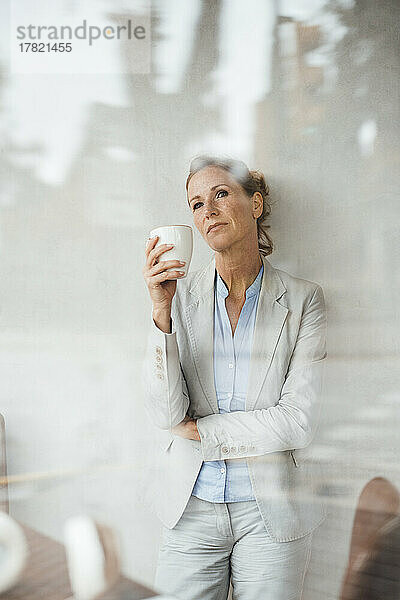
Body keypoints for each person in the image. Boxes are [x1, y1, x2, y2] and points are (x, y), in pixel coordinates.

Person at [142, 155, 328, 600]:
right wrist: (160, 314)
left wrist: (202, 433)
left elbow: (297, 421)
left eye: (221, 194)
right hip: (190, 508)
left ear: (256, 203)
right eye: (196, 203)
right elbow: (165, 412)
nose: (207, 211)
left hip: (272, 513)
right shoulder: (178, 296)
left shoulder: (303, 300)